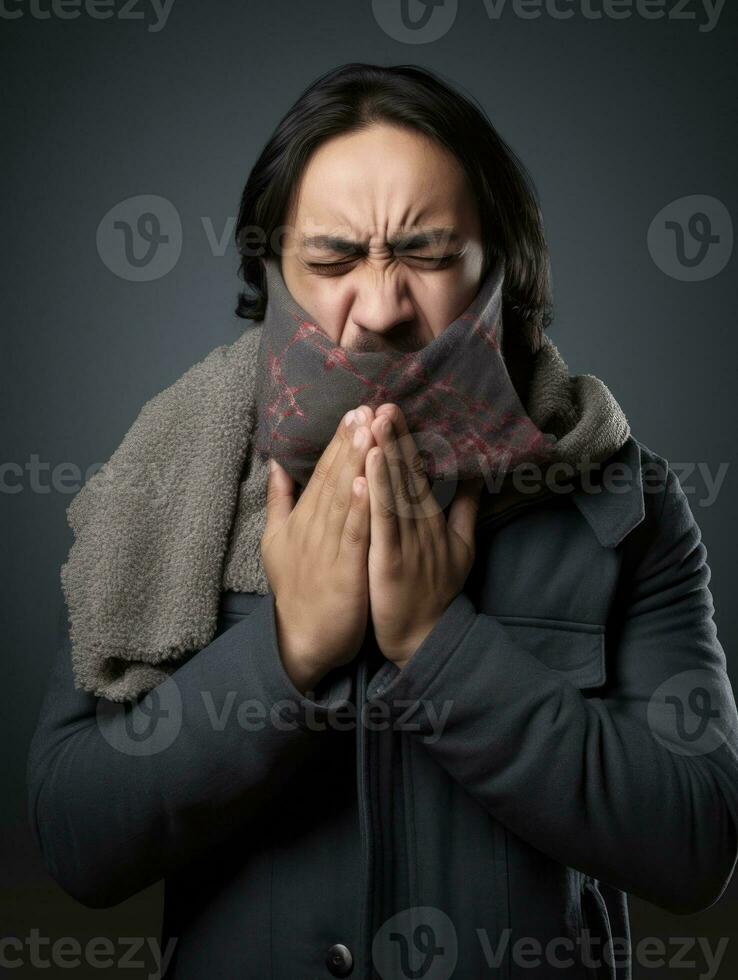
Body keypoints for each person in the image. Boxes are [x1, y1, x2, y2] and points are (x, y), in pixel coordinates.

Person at [27, 63, 738, 980]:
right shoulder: (165, 480)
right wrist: (286, 655)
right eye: (329, 261)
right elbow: (75, 840)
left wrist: (439, 645)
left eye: (431, 255)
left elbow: (697, 843)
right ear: (271, 271)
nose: (382, 306)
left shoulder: (622, 498)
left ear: (501, 267)